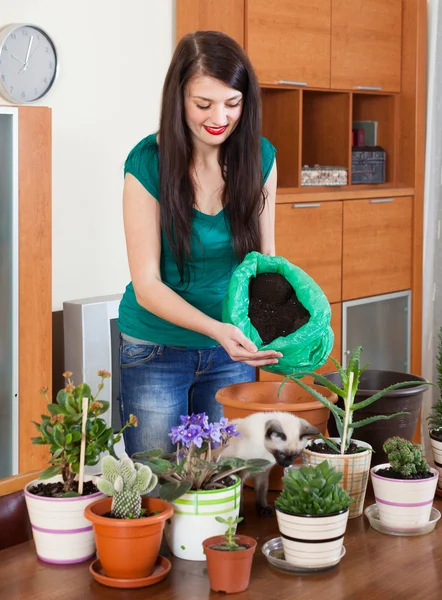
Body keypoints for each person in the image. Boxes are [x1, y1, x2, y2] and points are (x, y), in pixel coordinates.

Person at [117, 31, 281, 456]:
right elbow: (148, 284)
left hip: (230, 352)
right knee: (159, 483)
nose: (219, 117)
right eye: (203, 104)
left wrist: (275, 331)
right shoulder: (147, 165)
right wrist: (216, 330)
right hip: (156, 349)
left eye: (233, 103)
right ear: (179, 100)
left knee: (221, 479)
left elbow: (265, 263)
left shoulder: (260, 159)